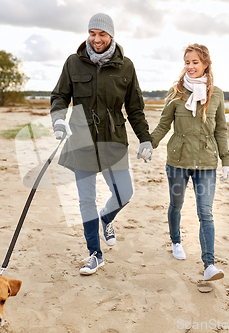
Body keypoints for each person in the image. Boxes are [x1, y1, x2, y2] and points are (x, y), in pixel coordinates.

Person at [50, 13, 153, 275]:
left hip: (113, 138)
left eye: (102, 34)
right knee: (86, 200)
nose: (96, 39)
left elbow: (135, 108)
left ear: (111, 36)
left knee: (124, 193)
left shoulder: (125, 66)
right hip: (81, 137)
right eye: (92, 33)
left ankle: (106, 218)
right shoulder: (74, 62)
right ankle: (94, 254)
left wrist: (145, 139)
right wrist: (59, 120)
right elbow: (60, 95)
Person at [149, 43, 229, 281]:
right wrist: (149, 144)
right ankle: (176, 241)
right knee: (176, 204)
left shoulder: (216, 94)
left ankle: (209, 265)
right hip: (178, 161)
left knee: (205, 212)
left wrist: (226, 160)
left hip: (206, 162)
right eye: (187, 62)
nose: (190, 66)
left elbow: (221, 130)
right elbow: (164, 124)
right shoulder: (176, 92)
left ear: (205, 64)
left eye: (195, 62)